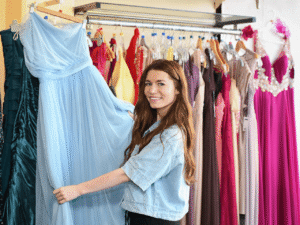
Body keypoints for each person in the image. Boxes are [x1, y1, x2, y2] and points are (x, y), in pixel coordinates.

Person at [53, 59, 196, 224]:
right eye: (148, 83)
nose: (152, 90)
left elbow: (127, 173)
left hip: (154, 220)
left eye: (161, 84)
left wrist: (78, 189)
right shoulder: (158, 125)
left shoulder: (170, 136)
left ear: (177, 89)